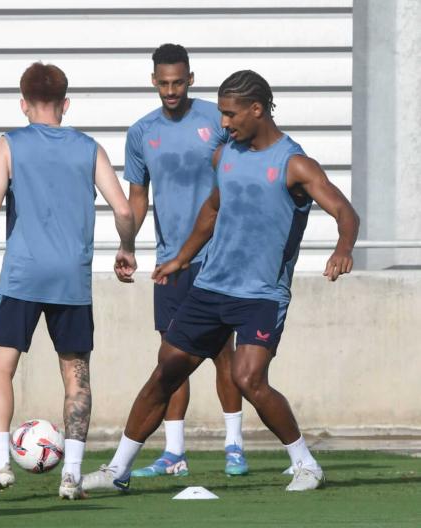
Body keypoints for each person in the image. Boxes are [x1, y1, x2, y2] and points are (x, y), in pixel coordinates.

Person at [83, 69, 359, 493]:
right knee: (165, 372)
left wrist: (343, 248)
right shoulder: (225, 154)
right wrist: (181, 259)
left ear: (257, 109)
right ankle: (117, 470)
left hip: (260, 294)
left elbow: (345, 212)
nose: (224, 123)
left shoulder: (295, 164)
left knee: (248, 379)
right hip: (210, 286)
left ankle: (306, 464)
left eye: (231, 115)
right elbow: (212, 210)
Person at [0, 62, 136, 501]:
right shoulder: (89, 148)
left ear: (23, 104)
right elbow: (125, 210)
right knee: (76, 375)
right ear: (66, 104)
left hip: (22, 275)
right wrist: (126, 248)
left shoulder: (7, 144)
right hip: (71, 278)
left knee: (1, 368)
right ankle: (71, 475)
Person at [124, 44, 248, 478]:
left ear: (190, 79)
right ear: (153, 82)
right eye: (164, 83)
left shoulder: (217, 122)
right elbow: (137, 197)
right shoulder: (141, 132)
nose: (171, 90)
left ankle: (234, 446)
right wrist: (127, 243)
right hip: (168, 262)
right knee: (170, 359)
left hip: (217, 260)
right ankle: (174, 454)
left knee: (223, 355)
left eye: (178, 82)